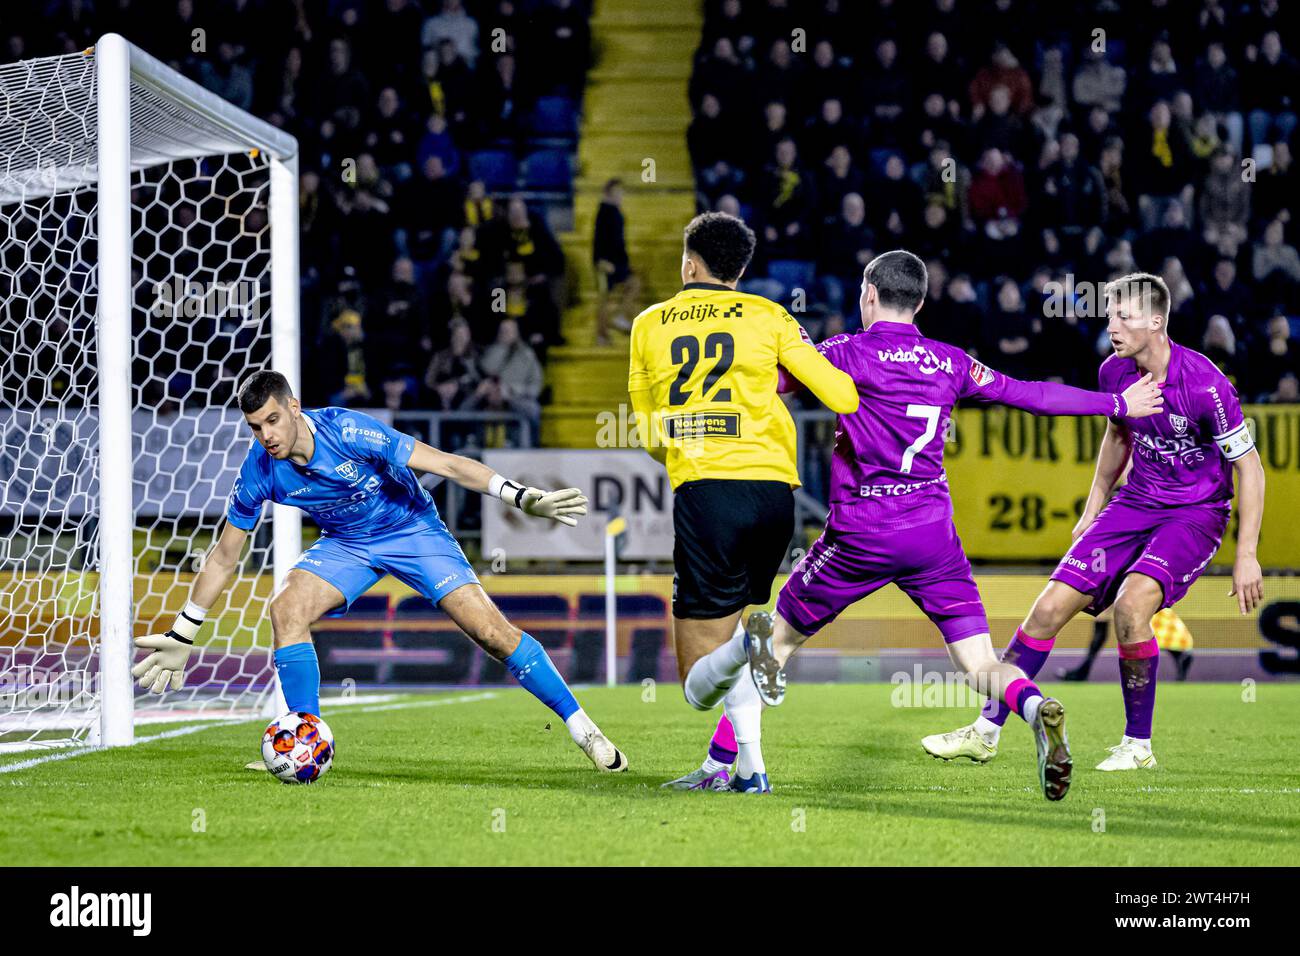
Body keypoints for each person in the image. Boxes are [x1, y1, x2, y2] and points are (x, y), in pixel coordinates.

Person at [676, 251, 1165, 802]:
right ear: (922, 302)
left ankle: (724, 764)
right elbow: (1032, 395)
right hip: (932, 536)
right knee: (981, 664)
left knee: (774, 643)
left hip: (859, 536)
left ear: (868, 295)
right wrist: (1116, 402)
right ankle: (1034, 707)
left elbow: (772, 380)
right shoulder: (949, 361)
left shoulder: (845, 352)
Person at [130, 371, 627, 774]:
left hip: (412, 531)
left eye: (273, 421)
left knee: (492, 633)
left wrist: (520, 496)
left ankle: (583, 727)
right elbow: (223, 555)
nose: (267, 436)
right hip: (347, 544)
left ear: (295, 406)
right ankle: (305, 742)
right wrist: (185, 629)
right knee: (285, 609)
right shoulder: (259, 470)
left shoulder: (348, 430)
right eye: (256, 427)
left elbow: (448, 465)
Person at [924, 272, 1265, 771]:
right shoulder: (1115, 372)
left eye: (1123, 316)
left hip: (1194, 514)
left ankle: (1137, 746)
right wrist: (1092, 509)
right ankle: (985, 732)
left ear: (1156, 321)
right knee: (1046, 610)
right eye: (1110, 315)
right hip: (1135, 503)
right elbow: (1118, 438)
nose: (1113, 326)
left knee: (1131, 609)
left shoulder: (1206, 385)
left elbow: (1250, 467)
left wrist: (1248, 553)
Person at [627, 212, 859, 794]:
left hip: (708, 492)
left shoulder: (648, 324)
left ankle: (746, 644)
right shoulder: (769, 316)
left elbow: (649, 434)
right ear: (741, 270)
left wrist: (683, 452)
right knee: (742, 635)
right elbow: (841, 394)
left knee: (694, 684)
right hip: (775, 496)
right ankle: (749, 770)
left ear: (689, 263)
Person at [593, 179, 640, 345]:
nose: (621, 195)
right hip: (606, 263)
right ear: (609, 193)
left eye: (621, 192)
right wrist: (600, 261)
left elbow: (619, 242)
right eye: (617, 192)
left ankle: (619, 316)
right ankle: (601, 335)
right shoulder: (605, 212)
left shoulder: (614, 211)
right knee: (604, 298)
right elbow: (599, 240)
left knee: (633, 284)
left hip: (617, 263)